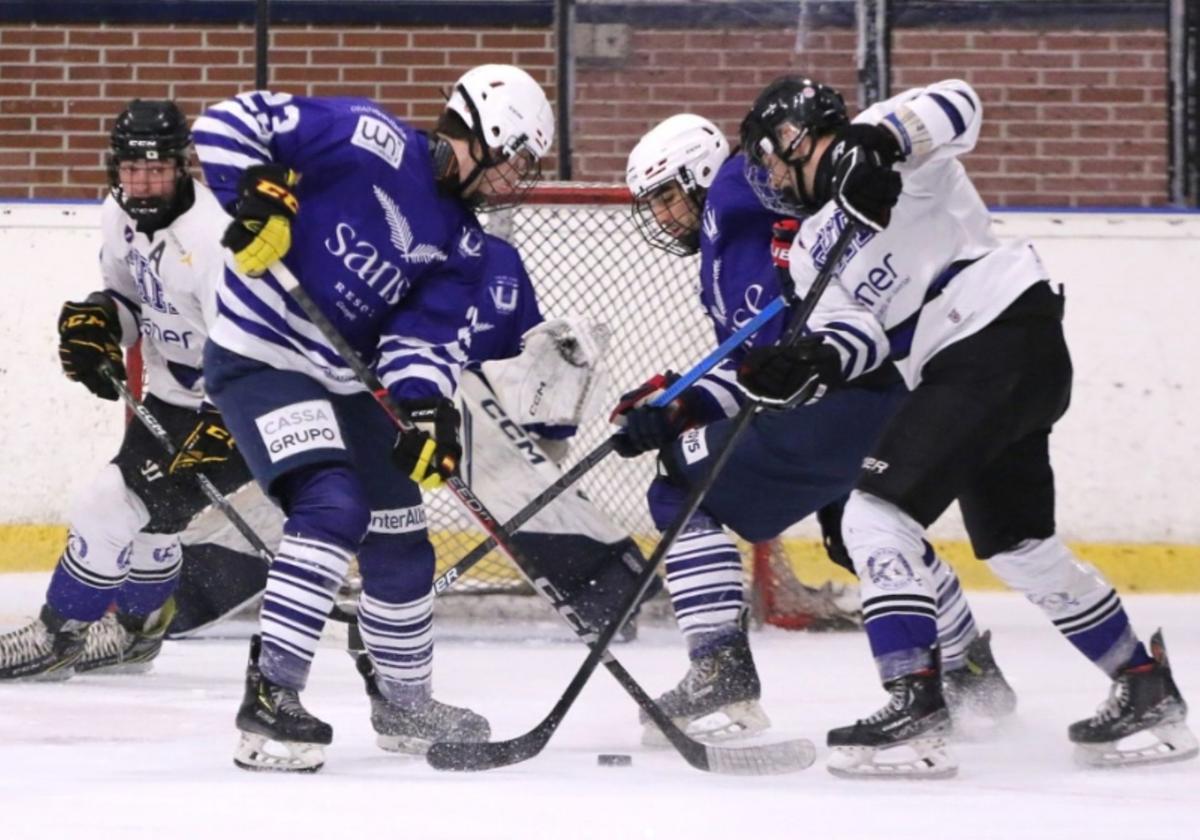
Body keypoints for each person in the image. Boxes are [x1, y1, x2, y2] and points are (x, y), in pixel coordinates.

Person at [736, 76, 1198, 777]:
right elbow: (860, 337)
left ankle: (915, 708)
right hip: (991, 361)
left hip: (994, 333)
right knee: (1019, 544)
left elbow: (962, 103)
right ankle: (1144, 686)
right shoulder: (807, 252)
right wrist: (812, 359)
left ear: (796, 136)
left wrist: (878, 143)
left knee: (873, 515)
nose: (768, 176)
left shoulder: (885, 135)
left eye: (769, 158)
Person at [191, 65, 554, 772]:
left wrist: (425, 408)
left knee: (401, 534)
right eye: (515, 158)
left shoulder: (465, 244)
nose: (516, 178)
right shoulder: (370, 137)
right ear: (483, 133)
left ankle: (405, 703)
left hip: (347, 381)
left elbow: (419, 340)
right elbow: (225, 124)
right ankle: (271, 700)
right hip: (262, 356)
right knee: (331, 505)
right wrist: (257, 195)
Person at [613, 110, 1014, 745]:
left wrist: (680, 412)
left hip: (834, 401)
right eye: (653, 203)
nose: (662, 216)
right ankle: (970, 667)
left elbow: (794, 174)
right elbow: (760, 370)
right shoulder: (727, 249)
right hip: (877, 396)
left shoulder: (735, 188)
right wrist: (682, 404)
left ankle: (720, 671)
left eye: (666, 195)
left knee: (677, 483)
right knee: (860, 531)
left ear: (698, 173)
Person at [0, 100, 251, 680]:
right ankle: (140, 631)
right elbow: (130, 299)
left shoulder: (216, 241)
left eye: (155, 168)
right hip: (172, 395)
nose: (141, 182)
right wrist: (102, 323)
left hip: (244, 406)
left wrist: (226, 420)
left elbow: (250, 346)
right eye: (129, 169)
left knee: (108, 505)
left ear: (183, 165)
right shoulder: (119, 212)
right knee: (152, 516)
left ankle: (58, 634)